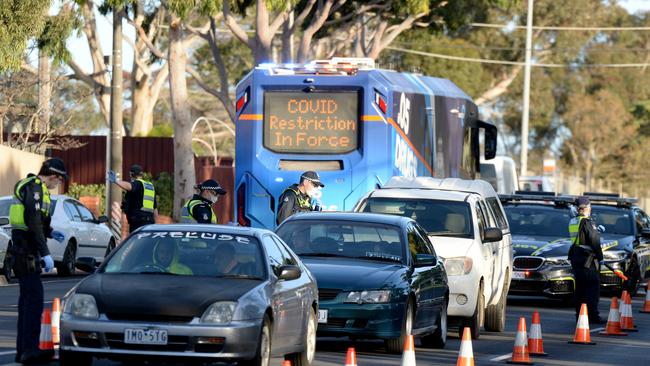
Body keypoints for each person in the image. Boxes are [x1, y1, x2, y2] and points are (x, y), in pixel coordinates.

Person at [9, 158, 67, 364]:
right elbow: (32, 222)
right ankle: (29, 350)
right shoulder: (34, 188)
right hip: (26, 249)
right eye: (59, 180)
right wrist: (45, 253)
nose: (58, 184)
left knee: (27, 300)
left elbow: (37, 222)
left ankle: (23, 350)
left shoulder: (35, 188)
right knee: (34, 299)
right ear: (53, 175)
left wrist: (51, 232)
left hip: (24, 248)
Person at [568, 196, 605, 324]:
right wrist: (601, 258)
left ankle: (580, 315)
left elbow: (581, 236)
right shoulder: (587, 222)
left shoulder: (573, 221)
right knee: (592, 288)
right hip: (587, 260)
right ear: (587, 208)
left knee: (580, 290)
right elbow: (594, 241)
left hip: (577, 257)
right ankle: (593, 316)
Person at [108, 164, 158, 233]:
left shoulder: (137, 184)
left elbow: (130, 186)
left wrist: (116, 181)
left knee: (137, 242)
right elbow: (155, 209)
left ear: (131, 174)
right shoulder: (149, 186)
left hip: (138, 223)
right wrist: (156, 225)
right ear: (141, 174)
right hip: (150, 223)